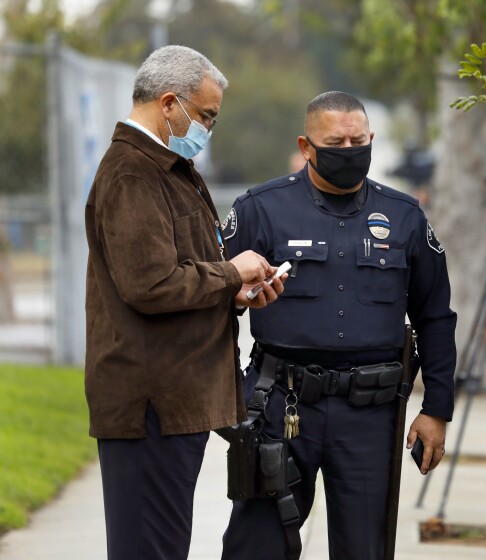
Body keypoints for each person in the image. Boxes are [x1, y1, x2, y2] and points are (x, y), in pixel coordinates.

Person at [220, 91, 457, 560]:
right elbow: (210, 301)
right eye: (335, 142)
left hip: (369, 416)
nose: (349, 151)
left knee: (365, 549)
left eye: (358, 141)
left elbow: (435, 316)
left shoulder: (405, 216)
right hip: (280, 407)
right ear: (306, 146)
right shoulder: (259, 210)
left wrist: (437, 409)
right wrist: (228, 394)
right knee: (256, 547)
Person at [84, 45, 285, 560]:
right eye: (206, 116)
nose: (209, 130)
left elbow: (183, 273)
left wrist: (234, 292)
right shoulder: (133, 172)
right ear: (169, 103)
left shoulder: (170, 167)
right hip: (150, 406)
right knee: (150, 548)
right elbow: (149, 285)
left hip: (176, 403)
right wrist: (230, 271)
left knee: (163, 545)